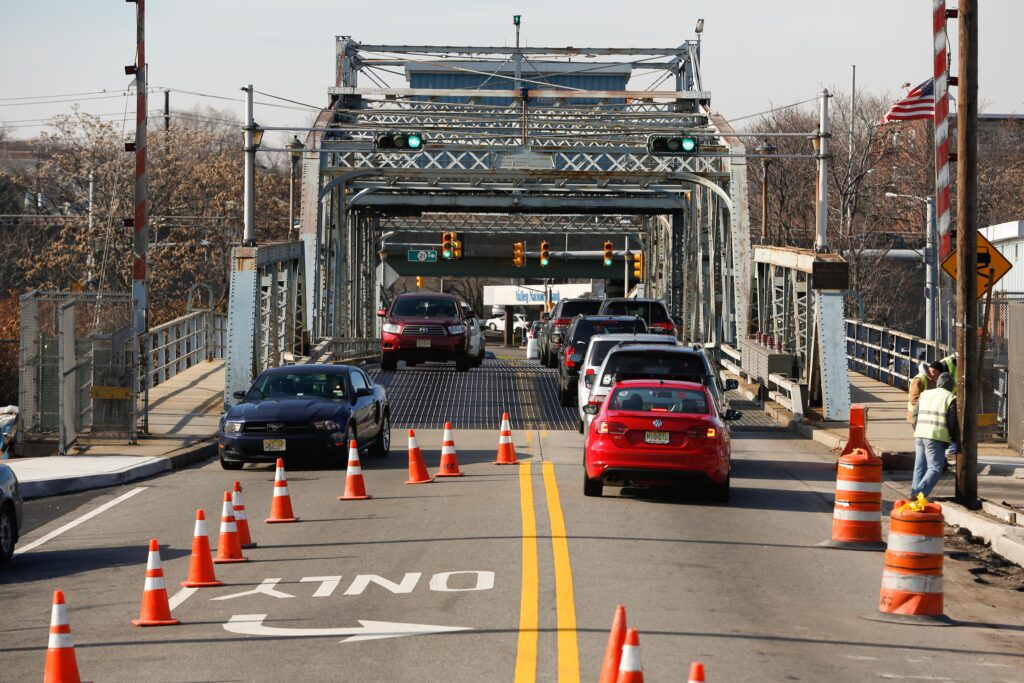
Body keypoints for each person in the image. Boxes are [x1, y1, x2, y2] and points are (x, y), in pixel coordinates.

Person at [911, 372, 960, 499]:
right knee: (935, 468)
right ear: (951, 386)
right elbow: (952, 421)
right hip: (936, 436)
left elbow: (914, 414)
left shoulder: (925, 394)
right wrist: (952, 438)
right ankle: (918, 495)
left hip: (920, 433)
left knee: (919, 467)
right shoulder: (950, 397)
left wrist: (917, 429)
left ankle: (914, 495)